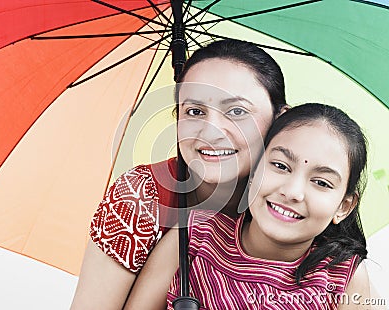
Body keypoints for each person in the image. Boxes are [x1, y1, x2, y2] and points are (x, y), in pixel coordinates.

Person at [70, 39, 288, 309]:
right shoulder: (141, 198)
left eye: (237, 111)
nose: (211, 132)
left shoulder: (293, 206)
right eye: (194, 111)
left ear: (281, 119)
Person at [128, 103, 374, 309]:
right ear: (254, 167)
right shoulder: (193, 238)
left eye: (321, 182)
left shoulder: (343, 278)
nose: (292, 192)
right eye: (280, 166)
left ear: (344, 206)